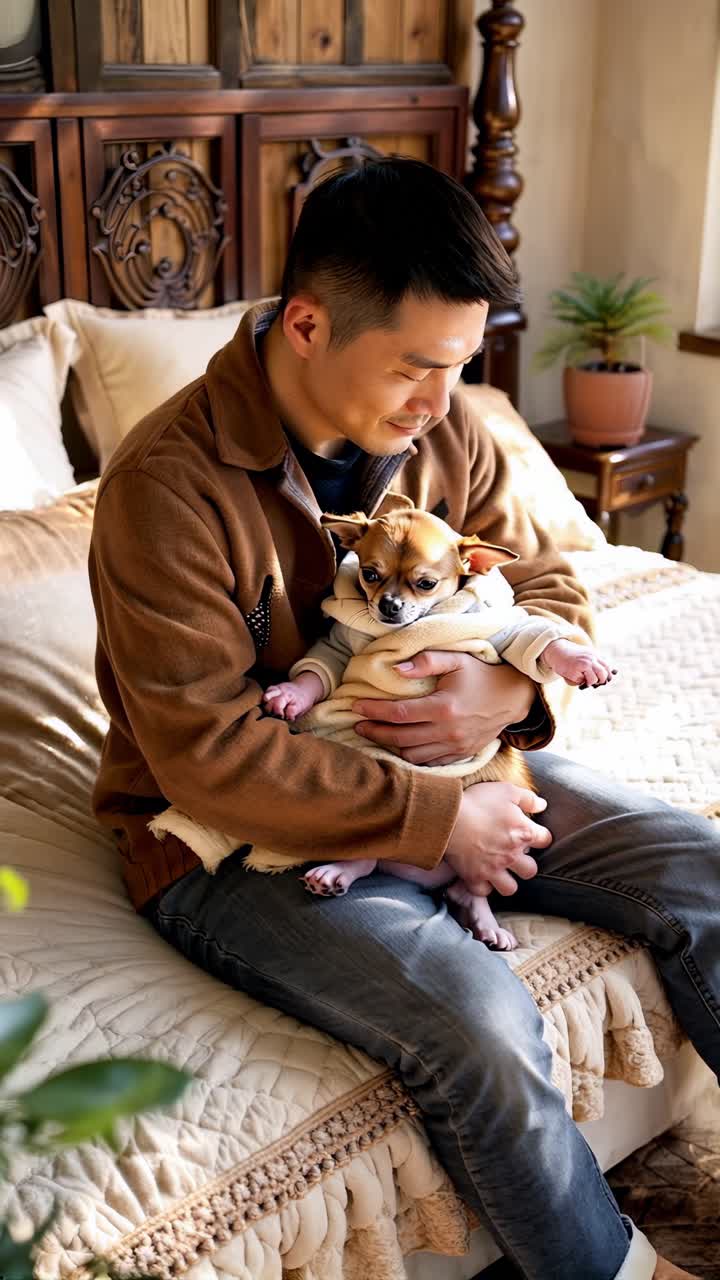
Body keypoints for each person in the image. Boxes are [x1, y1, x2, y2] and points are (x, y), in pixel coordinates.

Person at [89, 158, 718, 1280]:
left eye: (460, 364)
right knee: (481, 1014)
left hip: (463, 764)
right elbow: (205, 754)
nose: (442, 398)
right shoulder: (164, 487)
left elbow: (548, 578)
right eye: (418, 366)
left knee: (699, 864)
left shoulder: (447, 429)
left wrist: (516, 693)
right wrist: (441, 821)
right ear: (308, 325)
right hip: (227, 838)